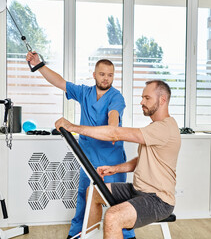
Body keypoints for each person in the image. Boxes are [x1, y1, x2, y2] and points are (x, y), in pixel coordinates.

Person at [26, 52, 136, 239]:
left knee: (116, 202)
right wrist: (39, 65)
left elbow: (113, 116)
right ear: (94, 75)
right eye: (102, 74)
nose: (106, 78)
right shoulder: (85, 93)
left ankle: (127, 236)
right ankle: (79, 233)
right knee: (84, 198)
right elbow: (60, 82)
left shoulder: (116, 97)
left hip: (112, 160)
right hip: (87, 159)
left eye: (110, 75)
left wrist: (113, 129)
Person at [55, 80, 181, 239]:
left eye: (147, 98)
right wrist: (115, 169)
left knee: (113, 217)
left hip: (158, 200)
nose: (141, 102)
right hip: (138, 191)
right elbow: (143, 159)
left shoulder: (165, 128)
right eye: (142, 97)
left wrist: (73, 127)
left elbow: (114, 134)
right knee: (93, 191)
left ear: (162, 100)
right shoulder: (154, 127)